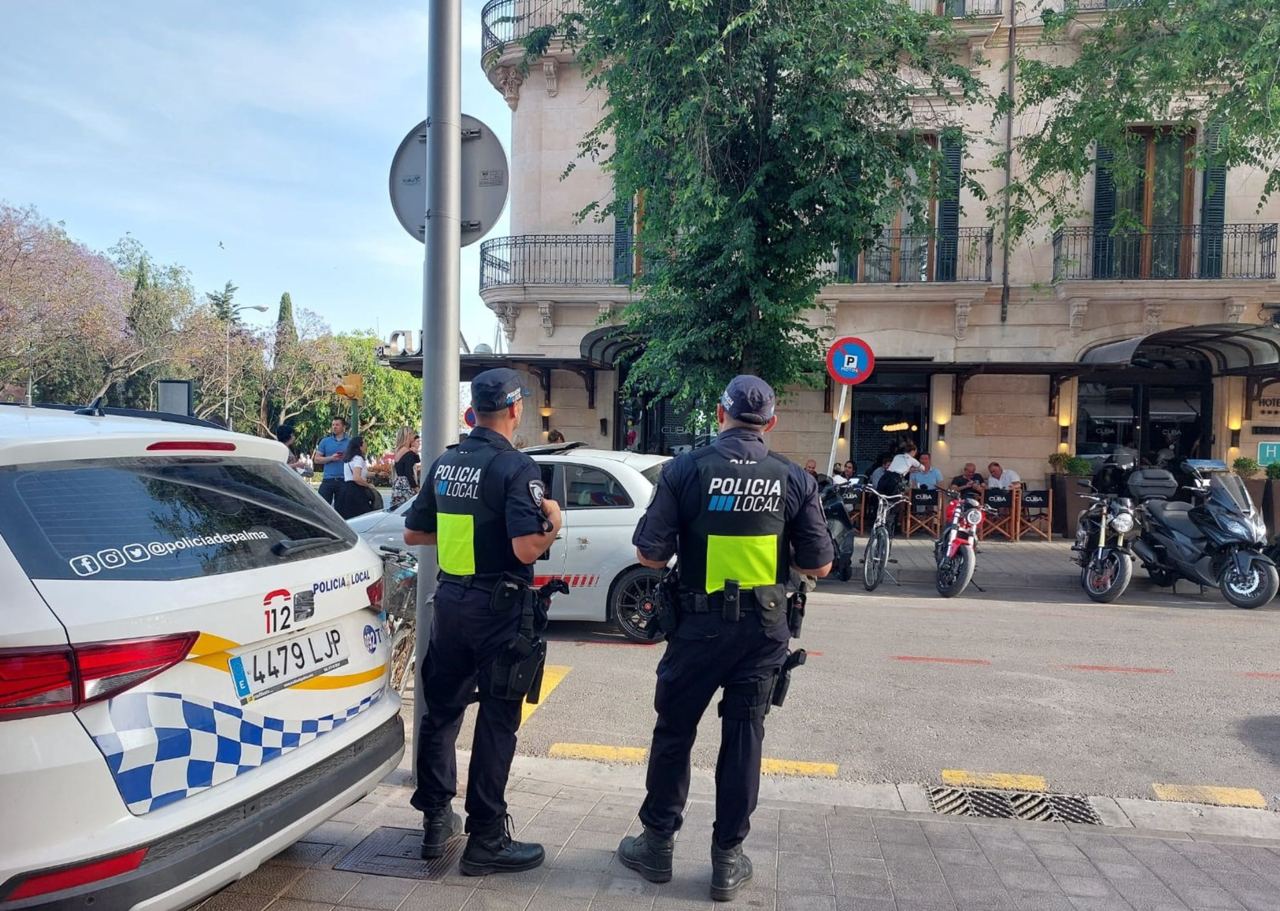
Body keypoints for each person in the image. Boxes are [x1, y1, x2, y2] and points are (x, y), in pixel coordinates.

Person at [616, 375, 833, 903]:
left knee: (674, 733)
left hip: (696, 628)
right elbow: (819, 563)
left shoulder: (686, 470)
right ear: (771, 422)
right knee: (744, 739)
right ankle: (727, 861)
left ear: (720, 415)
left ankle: (658, 846)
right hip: (762, 632)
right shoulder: (791, 477)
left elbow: (649, 554)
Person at [403, 368, 563, 876]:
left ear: (474, 411)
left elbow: (415, 534)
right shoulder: (516, 467)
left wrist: (470, 544)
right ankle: (487, 838)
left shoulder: (447, 462)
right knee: (497, 721)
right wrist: (556, 524)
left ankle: (434, 821)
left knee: (441, 712)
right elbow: (524, 546)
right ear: (516, 410)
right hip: (499, 610)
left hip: (450, 602)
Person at [334, 435, 377, 519]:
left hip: (346, 490)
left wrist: (376, 474)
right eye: (364, 443)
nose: (366, 445)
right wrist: (369, 485)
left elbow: (362, 473)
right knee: (362, 516)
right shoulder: (358, 459)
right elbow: (356, 478)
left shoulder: (349, 459)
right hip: (356, 491)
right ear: (360, 446)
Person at [313, 417, 349, 506]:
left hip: (344, 480)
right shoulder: (325, 441)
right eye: (333, 425)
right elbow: (316, 459)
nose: (334, 427)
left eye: (337, 425)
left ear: (343, 427)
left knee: (342, 510)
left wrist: (346, 457)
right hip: (328, 479)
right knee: (322, 507)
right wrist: (331, 458)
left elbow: (355, 460)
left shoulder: (350, 442)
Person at [391, 427, 421, 510]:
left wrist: (414, 452)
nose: (414, 436)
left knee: (398, 508)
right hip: (406, 484)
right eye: (412, 434)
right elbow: (408, 471)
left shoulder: (398, 450)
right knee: (408, 508)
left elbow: (417, 460)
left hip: (398, 482)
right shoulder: (407, 452)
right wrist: (415, 487)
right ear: (408, 436)